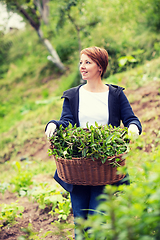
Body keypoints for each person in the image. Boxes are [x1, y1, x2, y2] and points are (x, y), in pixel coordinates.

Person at [45, 46, 142, 237]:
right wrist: (53, 125)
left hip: (104, 167)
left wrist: (133, 129)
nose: (82, 66)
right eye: (81, 62)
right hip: (78, 169)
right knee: (80, 223)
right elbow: (66, 122)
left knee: (97, 220)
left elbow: (132, 119)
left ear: (100, 66)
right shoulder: (73, 95)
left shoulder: (115, 95)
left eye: (87, 62)